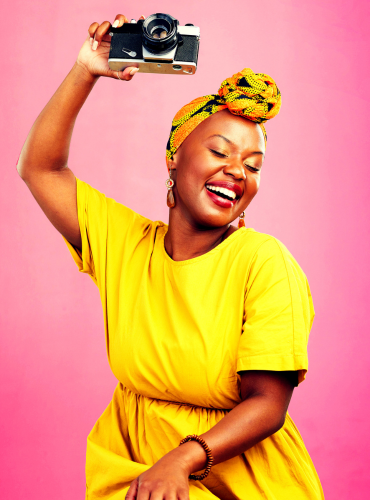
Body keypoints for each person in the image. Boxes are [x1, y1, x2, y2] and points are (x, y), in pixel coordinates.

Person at [17, 13, 325, 500]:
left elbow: (268, 403)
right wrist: (86, 68)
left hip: (237, 480)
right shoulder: (126, 244)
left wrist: (180, 460)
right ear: (174, 157)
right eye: (219, 151)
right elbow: (40, 168)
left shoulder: (265, 262)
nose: (236, 172)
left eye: (253, 164)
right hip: (131, 466)